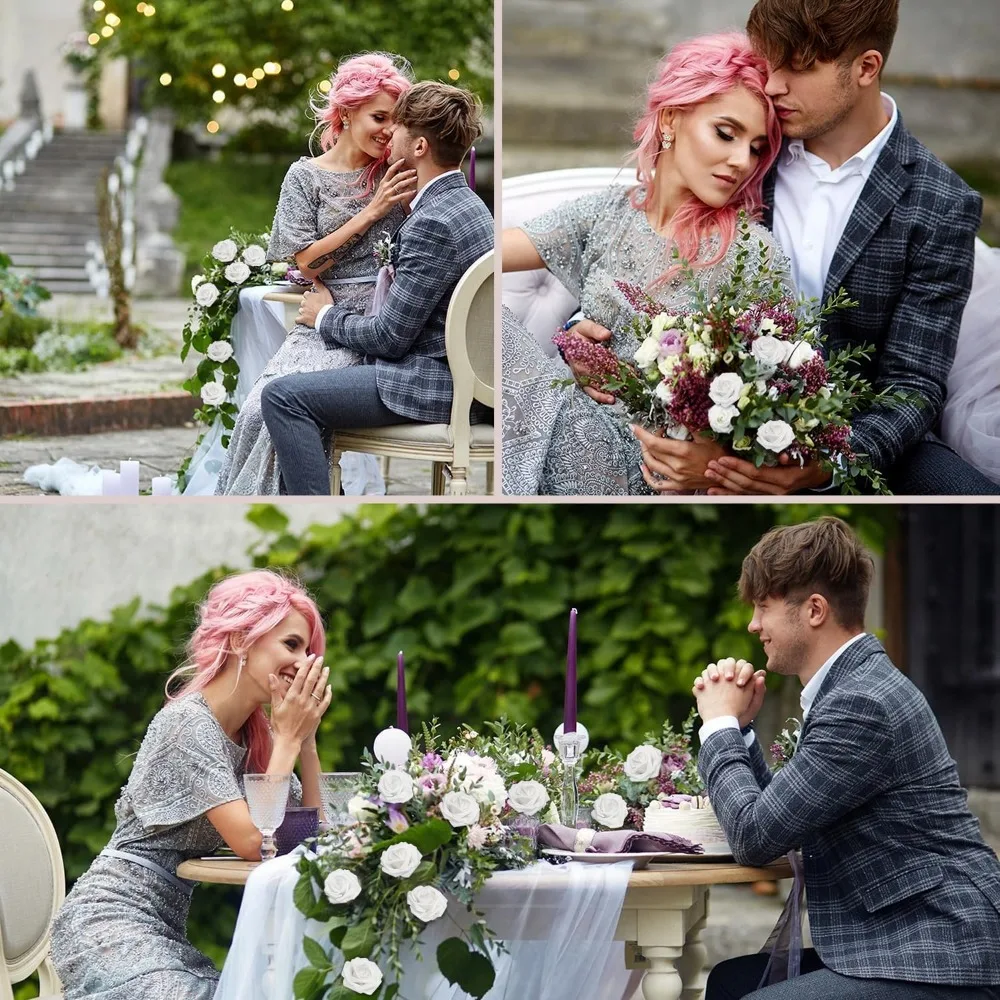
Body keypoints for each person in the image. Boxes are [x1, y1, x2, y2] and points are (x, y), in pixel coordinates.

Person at [634, 0, 1000, 496]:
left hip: (864, 442)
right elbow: (638, 234)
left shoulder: (940, 203)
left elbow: (913, 386)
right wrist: (580, 327)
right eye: (770, 62)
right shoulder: (744, 149)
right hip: (709, 416)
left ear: (866, 67)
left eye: (798, 68)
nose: (773, 85)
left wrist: (827, 464)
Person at [693, 517, 1000, 999]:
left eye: (763, 607)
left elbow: (754, 837)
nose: (753, 625)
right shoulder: (851, 688)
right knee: (728, 983)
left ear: (814, 609)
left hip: (940, 947)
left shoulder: (861, 702)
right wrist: (744, 733)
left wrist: (718, 726)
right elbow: (780, 816)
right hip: (902, 937)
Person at [501, 33, 786, 495]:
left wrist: (716, 454)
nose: (741, 162)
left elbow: (793, 397)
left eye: (755, 147)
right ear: (671, 118)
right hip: (571, 429)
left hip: (653, 467)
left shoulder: (753, 253)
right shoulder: (605, 214)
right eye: (726, 133)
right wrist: (566, 343)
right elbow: (480, 253)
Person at [49, 571, 333, 999]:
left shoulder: (258, 739)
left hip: (162, 933)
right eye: (291, 644)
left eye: (309, 652)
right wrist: (290, 738)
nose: (303, 662)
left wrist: (306, 743)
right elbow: (258, 842)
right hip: (108, 927)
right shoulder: (188, 725)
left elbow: (302, 839)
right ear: (240, 640)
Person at [261, 81, 494, 495]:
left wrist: (325, 316)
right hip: (459, 376)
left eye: (399, 125)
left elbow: (389, 338)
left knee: (283, 398)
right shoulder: (468, 204)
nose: (390, 135)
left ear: (419, 147)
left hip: (431, 384)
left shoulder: (432, 223)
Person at [205, 52, 417, 496]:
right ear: (345, 112)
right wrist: (371, 212)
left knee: (287, 407)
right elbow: (305, 264)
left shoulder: (399, 174)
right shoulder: (305, 178)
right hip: (324, 314)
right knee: (254, 413)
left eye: (396, 122)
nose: (389, 131)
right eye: (379, 117)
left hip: (384, 321)